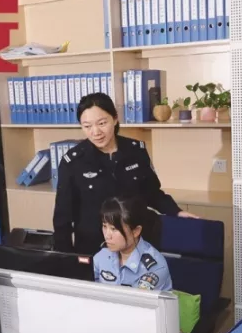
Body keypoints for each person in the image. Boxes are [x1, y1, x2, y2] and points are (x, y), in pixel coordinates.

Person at [53, 92, 197, 254]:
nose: (96, 132)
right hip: (95, 248)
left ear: (115, 119)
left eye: (102, 123)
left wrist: (176, 211)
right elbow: (62, 217)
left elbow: (152, 193)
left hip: (138, 243)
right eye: (87, 126)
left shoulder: (135, 151)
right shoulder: (73, 162)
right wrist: (64, 258)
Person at [92, 195, 172, 291]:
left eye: (114, 229)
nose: (107, 236)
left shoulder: (154, 268)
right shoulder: (102, 256)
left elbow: (139, 300)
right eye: (104, 226)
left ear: (136, 231)